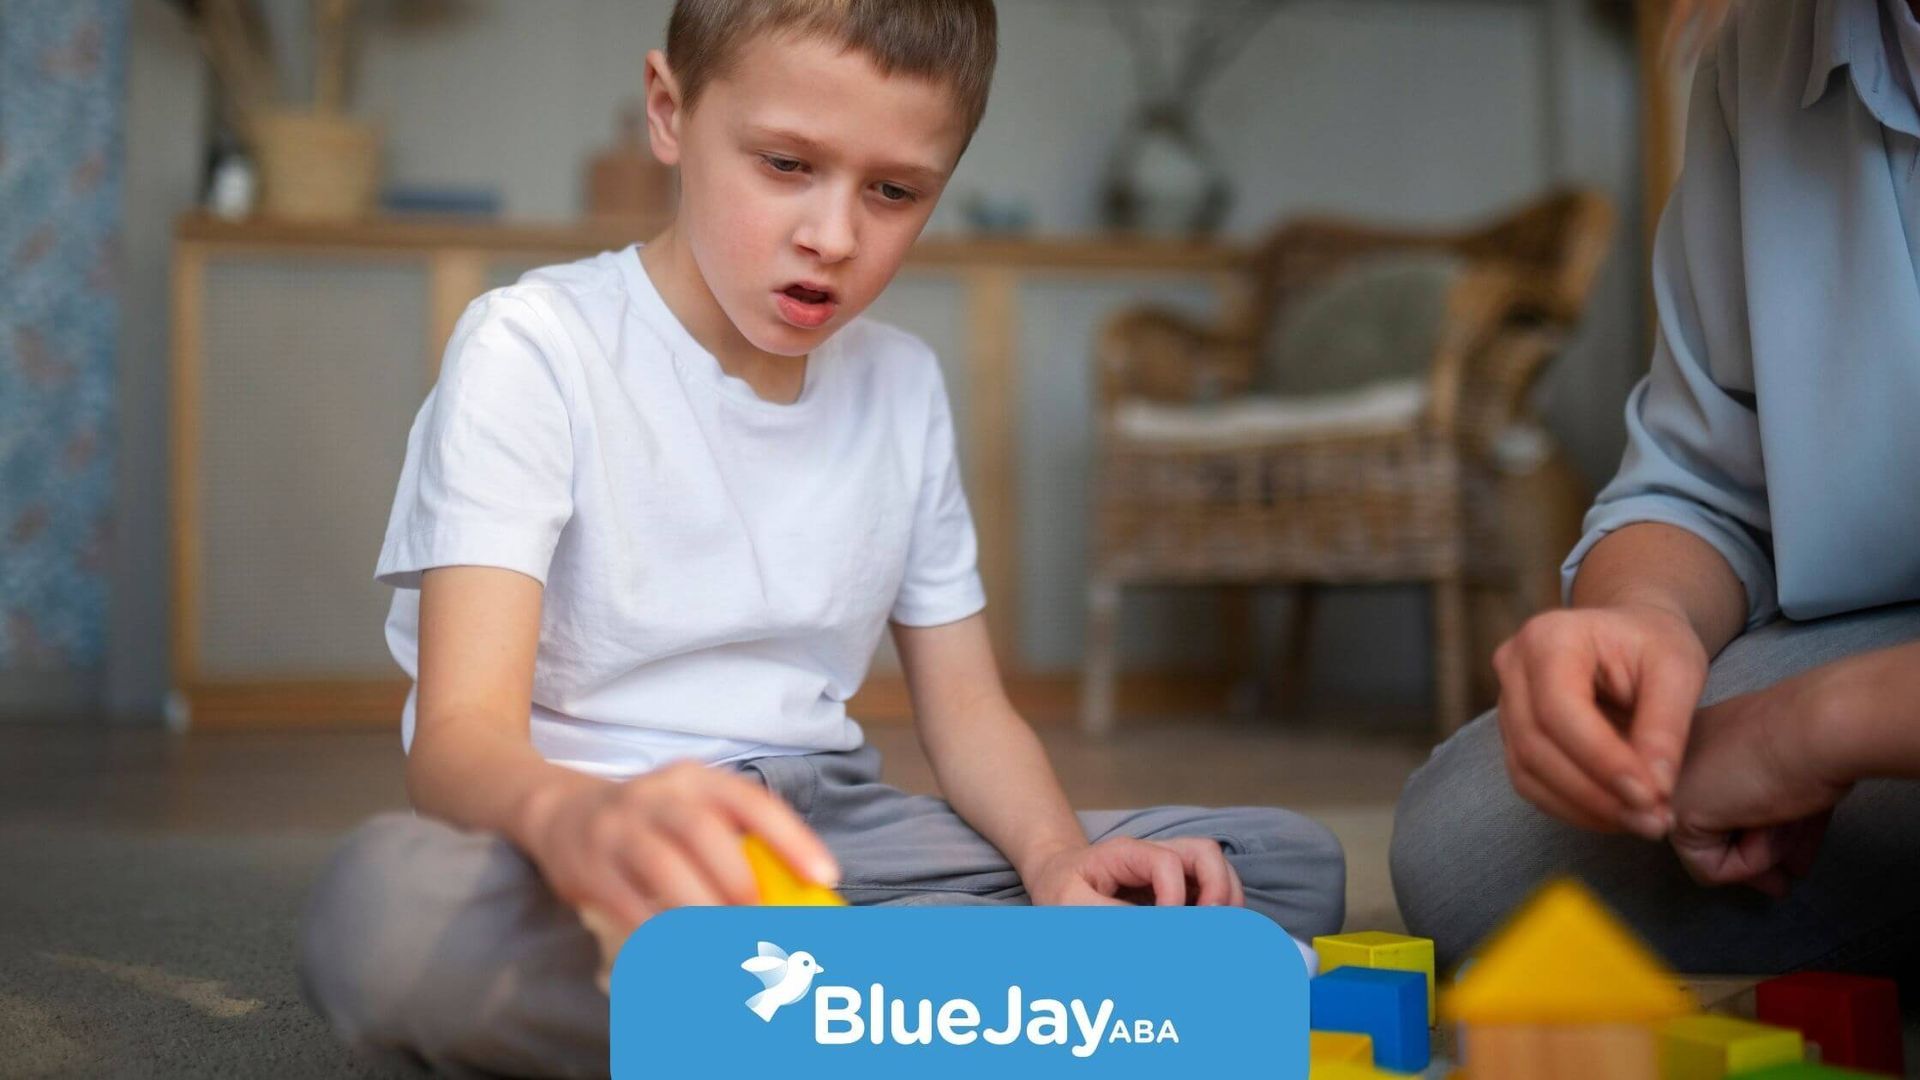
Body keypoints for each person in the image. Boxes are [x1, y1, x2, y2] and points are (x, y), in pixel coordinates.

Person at [296, 1, 1346, 1074]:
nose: (834, 236)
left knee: (1273, 863)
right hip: (609, 836)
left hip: (829, 837)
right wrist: (574, 827)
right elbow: (460, 736)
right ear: (670, 110)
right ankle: (982, 1010)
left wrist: (1056, 857)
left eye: (894, 192)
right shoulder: (532, 349)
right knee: (387, 920)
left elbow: (971, 710)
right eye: (787, 165)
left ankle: (816, 1012)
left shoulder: (902, 385)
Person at [1391, 0, 1920, 976]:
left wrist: (1824, 724)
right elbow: (1705, 483)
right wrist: (1644, 615)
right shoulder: (1769, 46)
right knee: (1475, 852)